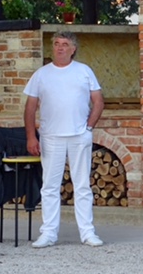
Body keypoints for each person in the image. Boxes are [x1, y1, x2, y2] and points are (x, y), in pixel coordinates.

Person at [24, 31, 105, 248]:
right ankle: (48, 233)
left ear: (73, 49)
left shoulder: (84, 71)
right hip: (51, 137)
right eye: (57, 44)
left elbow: (98, 101)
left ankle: (87, 233)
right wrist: (31, 136)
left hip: (79, 135)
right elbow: (30, 107)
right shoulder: (41, 74)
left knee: (82, 185)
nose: (60, 48)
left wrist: (89, 127)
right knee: (50, 186)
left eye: (65, 44)